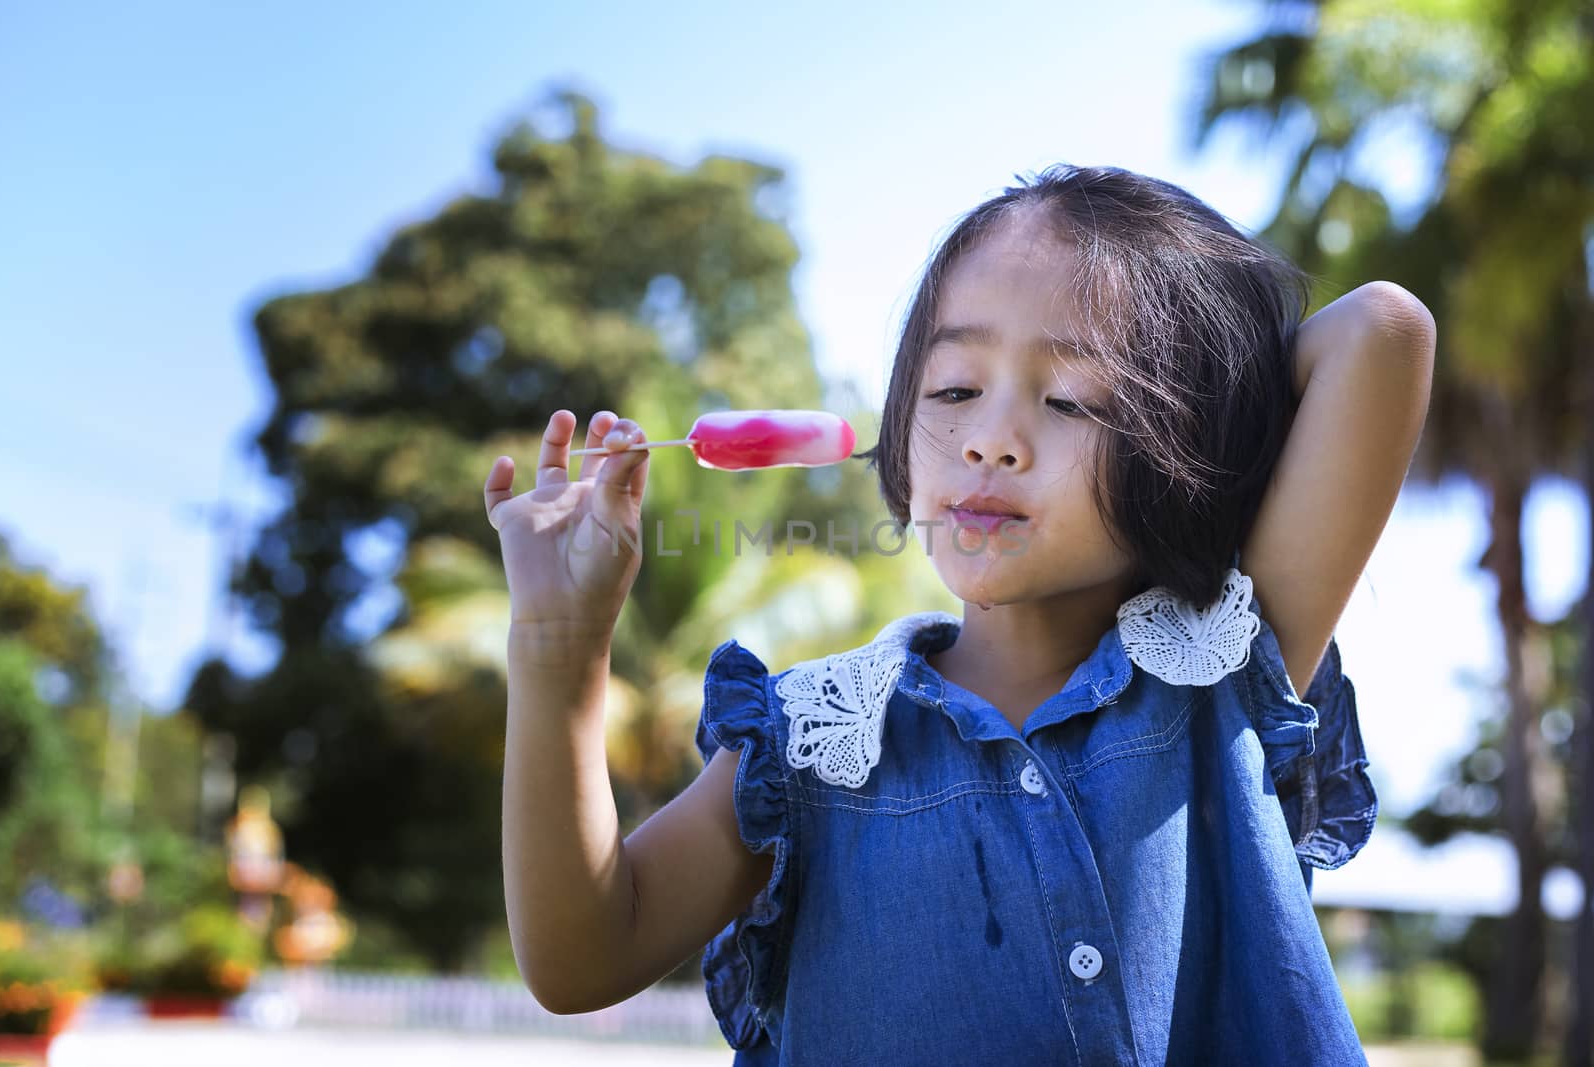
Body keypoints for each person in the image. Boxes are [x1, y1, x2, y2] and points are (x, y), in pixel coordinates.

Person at [485, 163, 1436, 1065]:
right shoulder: (816, 738)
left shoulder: (1219, 666)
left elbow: (1380, 331)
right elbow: (583, 959)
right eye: (953, 389)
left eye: (1071, 399)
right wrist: (559, 645)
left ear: (1180, 441)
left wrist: (1211, 417)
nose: (992, 441)